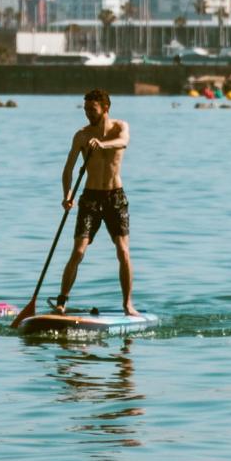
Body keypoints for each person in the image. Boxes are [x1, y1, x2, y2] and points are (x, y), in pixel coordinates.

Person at [53, 87, 138, 316]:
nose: (88, 113)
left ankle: (128, 304)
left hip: (115, 197)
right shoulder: (81, 135)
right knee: (78, 251)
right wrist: (67, 194)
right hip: (90, 198)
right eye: (86, 109)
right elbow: (68, 169)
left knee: (123, 251)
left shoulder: (120, 127)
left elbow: (123, 142)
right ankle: (62, 302)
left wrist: (102, 144)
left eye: (93, 109)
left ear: (105, 108)